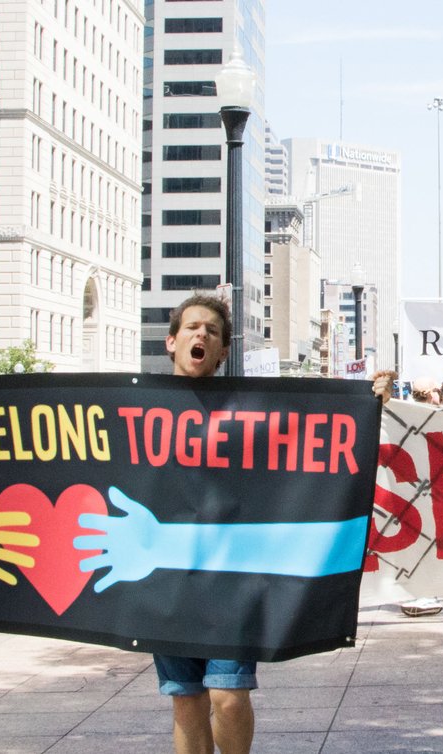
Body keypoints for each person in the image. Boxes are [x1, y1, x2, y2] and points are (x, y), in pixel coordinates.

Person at [149, 294, 257, 754]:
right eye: (192, 328)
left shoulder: (250, 410)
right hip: (168, 577)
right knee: (187, 702)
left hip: (231, 578)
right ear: (171, 342)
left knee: (229, 698)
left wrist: (368, 398)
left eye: (212, 332)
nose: (201, 335)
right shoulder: (138, 406)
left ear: (223, 352)